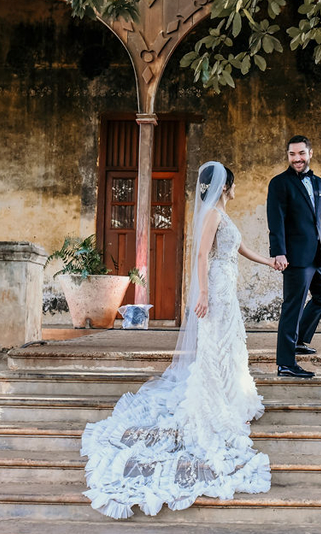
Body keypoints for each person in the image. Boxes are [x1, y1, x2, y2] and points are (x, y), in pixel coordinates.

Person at [81, 162, 274, 519]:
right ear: (226, 186)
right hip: (215, 287)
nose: (232, 188)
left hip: (227, 287)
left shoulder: (220, 215)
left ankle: (231, 394)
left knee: (229, 343)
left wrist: (269, 262)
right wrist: (201, 294)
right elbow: (202, 256)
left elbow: (240, 248)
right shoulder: (214, 216)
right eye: (231, 184)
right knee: (215, 343)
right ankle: (215, 403)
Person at [267, 135, 321, 379]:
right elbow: (276, 220)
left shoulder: (319, 183)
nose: (297, 159)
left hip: (316, 255)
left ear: (310, 153)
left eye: (301, 153)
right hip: (294, 256)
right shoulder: (279, 183)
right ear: (288, 156)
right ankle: (286, 363)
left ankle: (299, 340)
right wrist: (279, 252)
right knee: (292, 306)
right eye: (292, 154)